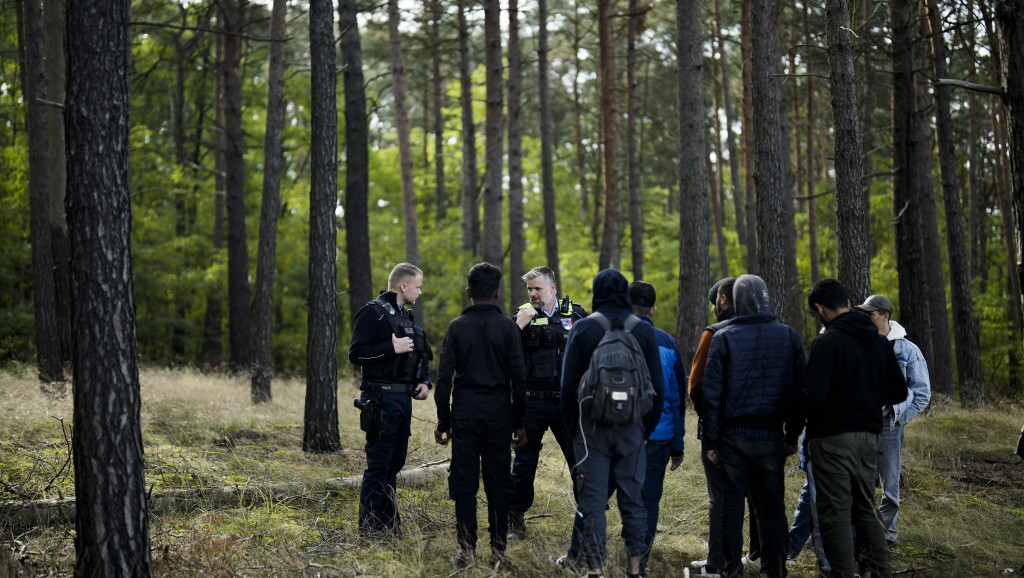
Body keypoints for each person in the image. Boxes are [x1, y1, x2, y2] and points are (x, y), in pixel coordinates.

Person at [560, 269, 664, 578]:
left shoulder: (583, 329)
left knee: (592, 501)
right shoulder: (643, 330)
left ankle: (596, 569)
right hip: (632, 429)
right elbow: (657, 389)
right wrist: (644, 431)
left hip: (591, 431)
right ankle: (635, 569)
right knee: (634, 500)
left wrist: (573, 430)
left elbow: (567, 389)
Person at [701, 274, 806, 578]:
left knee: (732, 508)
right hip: (771, 436)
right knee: (772, 509)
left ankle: (732, 571)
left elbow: (712, 395)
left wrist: (711, 442)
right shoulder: (787, 335)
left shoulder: (725, 337)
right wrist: (792, 435)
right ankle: (776, 570)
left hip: (733, 438)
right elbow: (800, 391)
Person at [805, 279, 907, 578]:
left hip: (833, 439)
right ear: (847, 303)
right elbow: (899, 392)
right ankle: (879, 572)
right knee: (864, 510)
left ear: (820, 308)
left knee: (834, 514)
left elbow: (814, 398)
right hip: (868, 438)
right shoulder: (878, 342)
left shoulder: (827, 343)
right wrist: (868, 397)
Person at [433, 262, 528, 569]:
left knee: (464, 483)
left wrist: (443, 421)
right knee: (499, 482)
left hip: (465, 415)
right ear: (498, 293)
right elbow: (520, 379)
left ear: (468, 292)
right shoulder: (509, 328)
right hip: (499, 415)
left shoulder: (457, 327)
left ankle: (467, 552)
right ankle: (499, 553)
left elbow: (443, 379)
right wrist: (519, 422)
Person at [348, 263, 432, 539]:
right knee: (379, 464)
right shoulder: (372, 312)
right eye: (417, 286)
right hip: (379, 397)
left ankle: (389, 526)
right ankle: (369, 530)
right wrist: (389, 348)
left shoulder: (405, 316)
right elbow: (356, 353)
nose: (420, 292)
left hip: (401, 399)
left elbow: (415, 357)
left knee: (394, 464)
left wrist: (423, 383)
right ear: (403, 286)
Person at [508, 266, 587, 539]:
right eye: (529, 289)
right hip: (532, 403)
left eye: (537, 289)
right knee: (524, 462)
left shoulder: (576, 315)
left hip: (568, 403)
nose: (533, 294)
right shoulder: (521, 316)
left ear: (553, 288)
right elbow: (503, 351)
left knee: (580, 459)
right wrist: (519, 324)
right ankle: (515, 517)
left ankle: (588, 515)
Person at [854, 293, 932, 545]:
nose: (866, 318)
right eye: (864, 314)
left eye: (870, 314)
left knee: (890, 489)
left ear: (885, 316)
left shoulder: (907, 350)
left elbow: (922, 393)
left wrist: (900, 419)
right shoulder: (858, 345)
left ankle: (887, 536)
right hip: (861, 426)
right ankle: (862, 534)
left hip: (889, 426)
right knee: (858, 483)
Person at [628, 281, 686, 569]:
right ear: (653, 308)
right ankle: (640, 560)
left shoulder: (613, 334)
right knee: (649, 499)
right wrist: (678, 444)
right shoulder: (667, 342)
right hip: (659, 436)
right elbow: (676, 397)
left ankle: (590, 557)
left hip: (619, 432)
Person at [688, 277, 735, 575]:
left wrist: (706, 414)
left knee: (719, 497)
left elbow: (696, 385)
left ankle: (717, 561)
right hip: (761, 430)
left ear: (722, 301)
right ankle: (758, 554)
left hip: (719, 429)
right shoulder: (773, 330)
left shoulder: (714, 333)